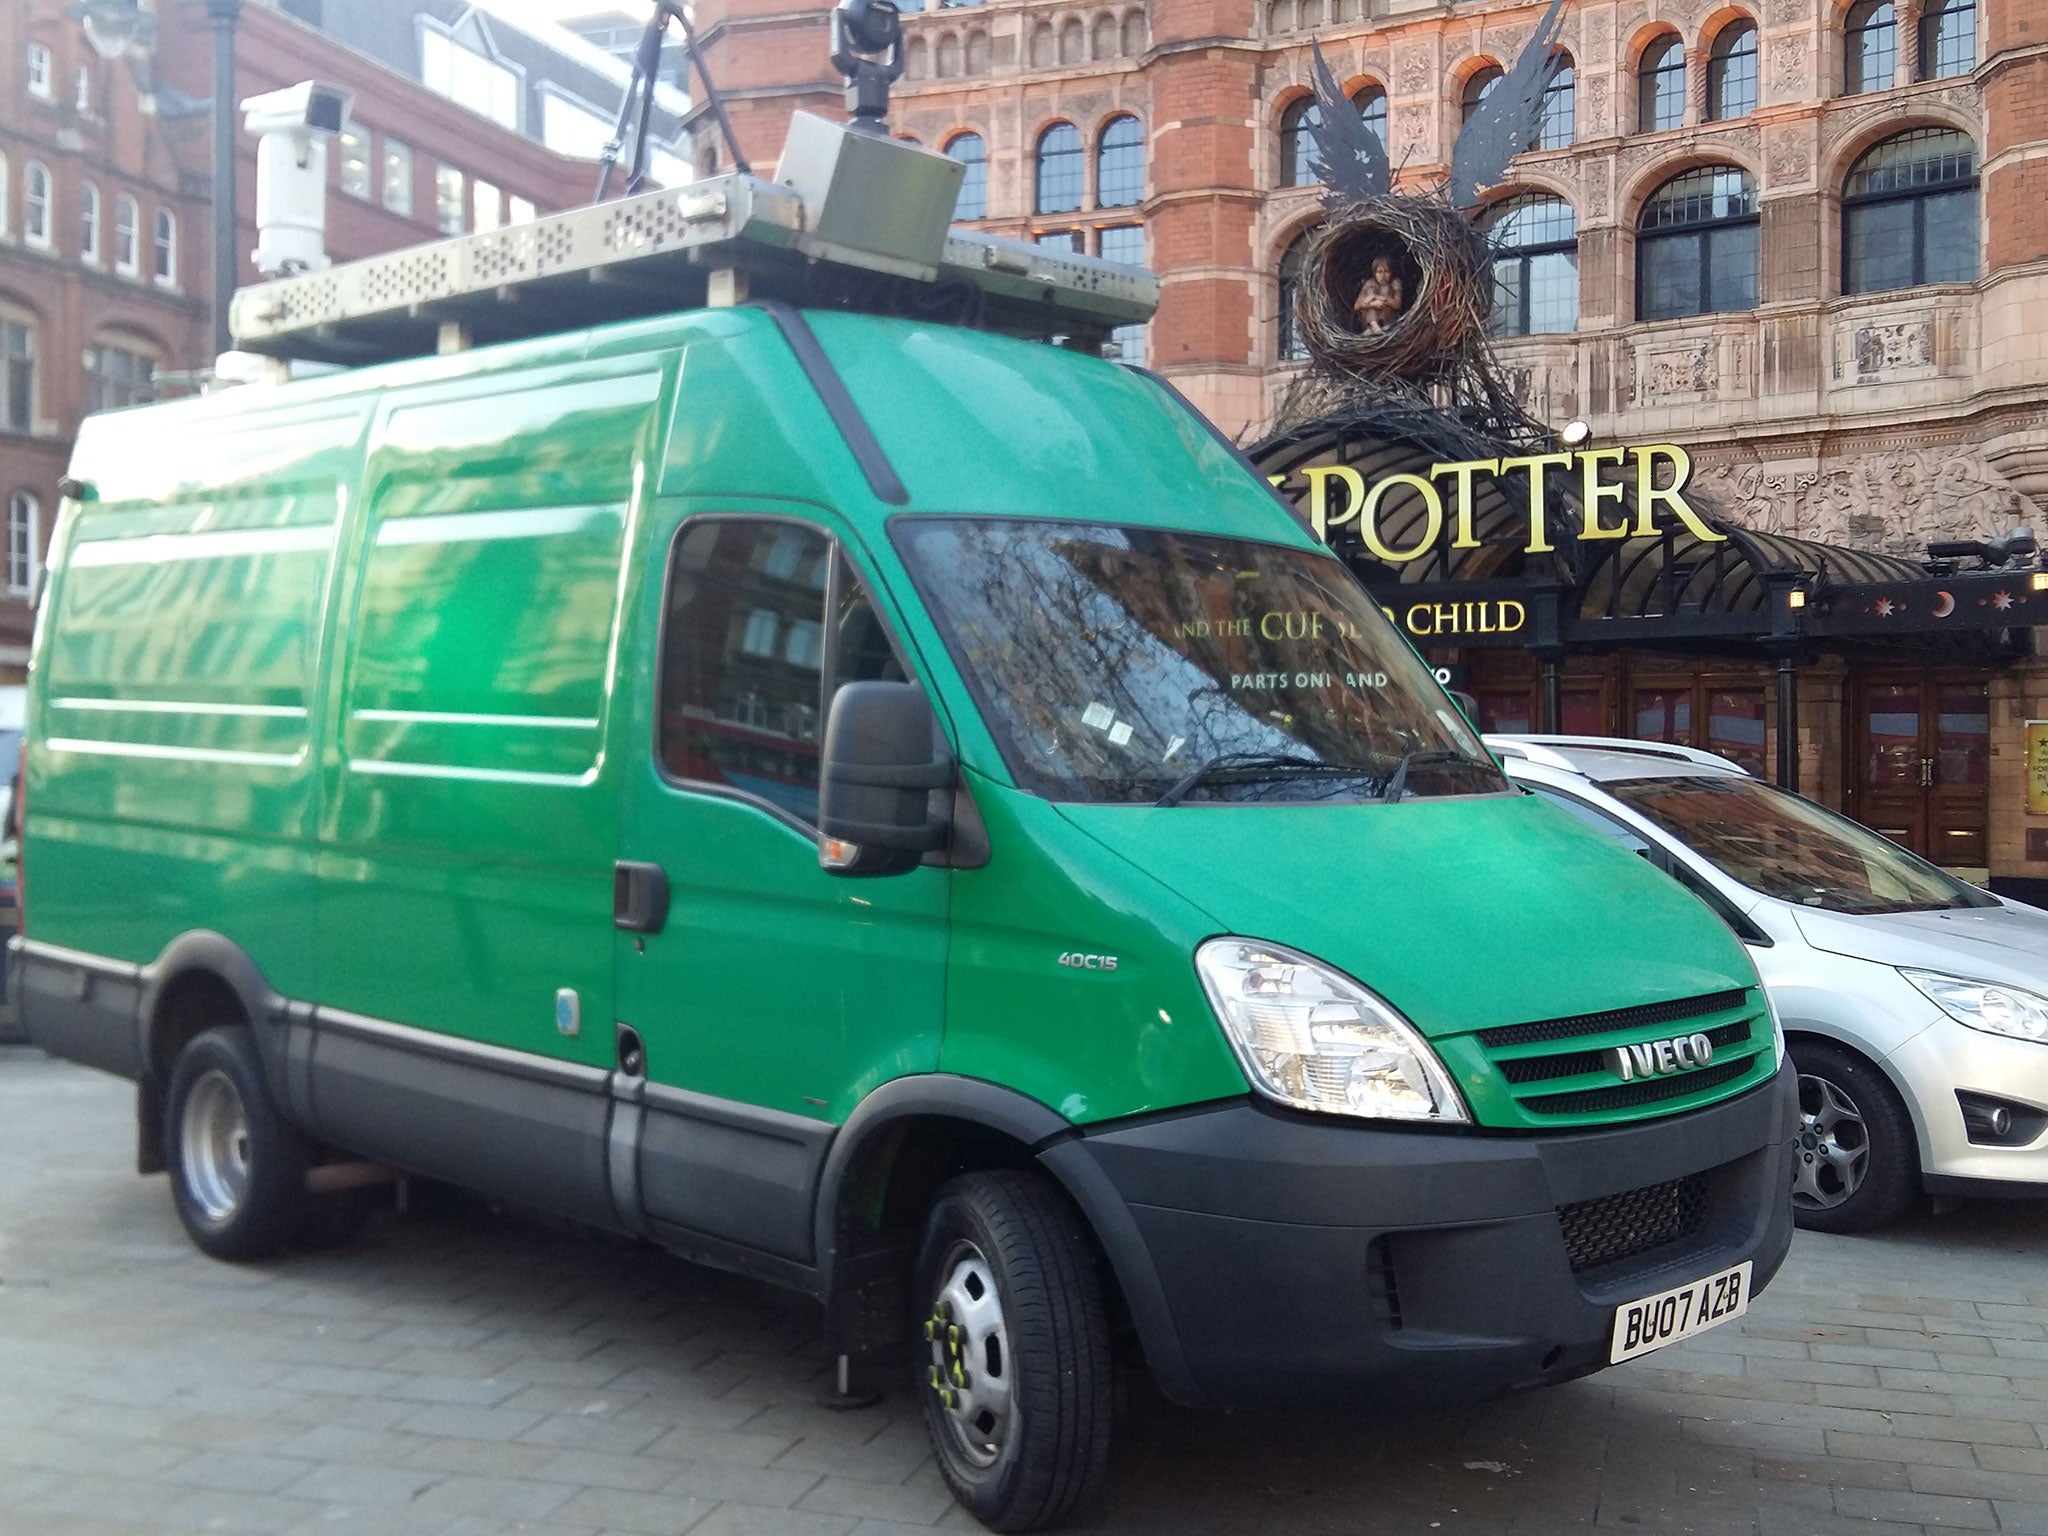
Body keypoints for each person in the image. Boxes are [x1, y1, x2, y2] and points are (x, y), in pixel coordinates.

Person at [1353, 257, 1402, 334]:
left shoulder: (1395, 282)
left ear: (1391, 272)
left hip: (1388, 320)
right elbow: (1357, 306)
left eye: (1386, 271)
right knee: (1370, 293)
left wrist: (1379, 298)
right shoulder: (1370, 283)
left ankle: (1379, 328)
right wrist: (1372, 304)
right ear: (1374, 273)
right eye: (1379, 272)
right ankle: (1374, 326)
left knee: (1385, 289)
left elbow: (1397, 304)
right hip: (1370, 321)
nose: (1383, 275)